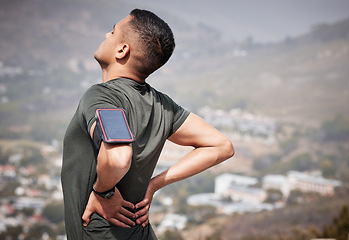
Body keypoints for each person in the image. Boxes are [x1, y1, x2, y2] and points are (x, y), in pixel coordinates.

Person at [61, 9, 234, 240]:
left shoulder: (102, 96)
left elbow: (118, 157)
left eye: (112, 32)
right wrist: (153, 185)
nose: (105, 35)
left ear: (122, 50)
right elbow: (222, 146)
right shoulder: (163, 105)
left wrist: (103, 192)